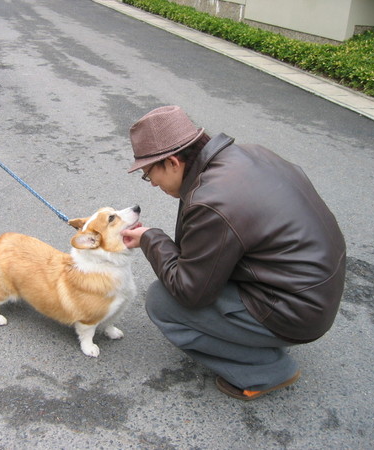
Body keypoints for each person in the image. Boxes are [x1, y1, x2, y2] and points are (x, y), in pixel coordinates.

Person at [122, 105, 346, 400]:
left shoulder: (211, 200)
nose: (152, 184)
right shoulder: (249, 154)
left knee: (163, 302)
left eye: (149, 174)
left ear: (174, 162)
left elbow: (190, 292)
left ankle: (266, 371)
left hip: (296, 312)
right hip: (316, 291)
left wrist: (151, 239)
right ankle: (255, 338)